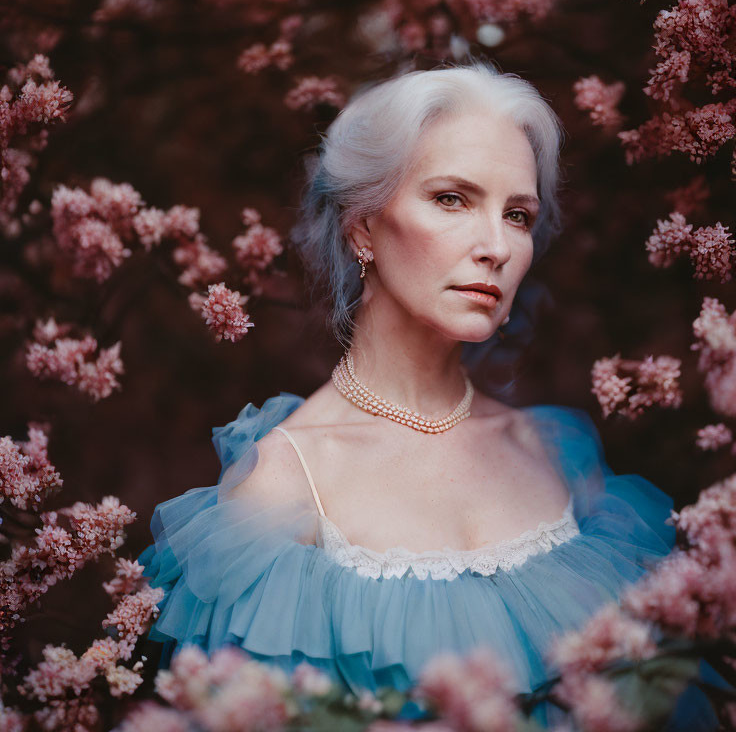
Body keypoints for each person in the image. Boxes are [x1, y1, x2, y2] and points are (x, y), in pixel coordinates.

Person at [136, 62, 721, 729]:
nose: (496, 246)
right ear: (361, 226)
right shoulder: (283, 489)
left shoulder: (555, 455)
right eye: (452, 199)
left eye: (519, 215)